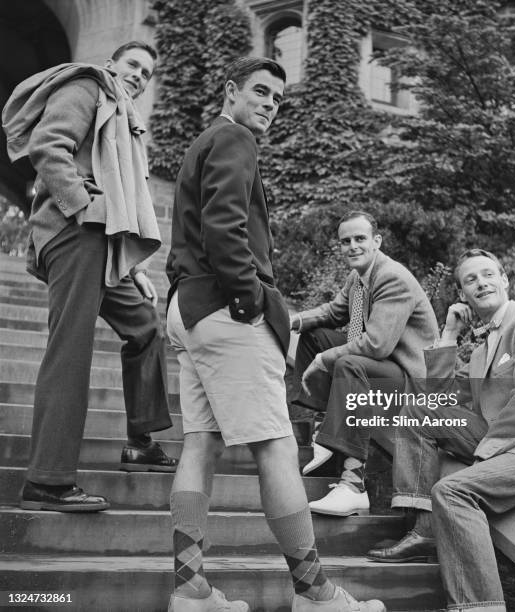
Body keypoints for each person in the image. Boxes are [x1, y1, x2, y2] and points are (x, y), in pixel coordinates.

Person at [165, 57, 385, 612]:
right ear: (231, 91)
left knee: (201, 442)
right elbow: (225, 229)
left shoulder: (204, 142)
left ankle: (191, 589)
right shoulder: (236, 138)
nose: (269, 103)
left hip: (189, 308)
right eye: (259, 91)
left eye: (278, 98)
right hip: (226, 308)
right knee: (278, 446)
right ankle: (315, 593)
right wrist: (254, 302)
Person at [2, 41, 177, 513]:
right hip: (77, 233)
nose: (140, 75)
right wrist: (83, 208)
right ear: (110, 65)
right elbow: (48, 147)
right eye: (133, 66)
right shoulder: (86, 86)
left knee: (144, 326)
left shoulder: (124, 114)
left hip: (106, 241)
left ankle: (140, 441)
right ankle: (47, 479)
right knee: (71, 348)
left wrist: (135, 265)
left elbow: (122, 193)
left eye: (147, 71)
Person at [366, 249, 515, 612]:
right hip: (511, 441)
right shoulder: (484, 349)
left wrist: (480, 460)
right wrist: (450, 333)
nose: (481, 282)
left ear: (505, 281)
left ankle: (479, 606)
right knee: (417, 413)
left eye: (487, 274)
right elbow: (437, 400)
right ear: (463, 296)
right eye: (470, 280)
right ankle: (423, 529)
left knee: (452, 490)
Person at [290, 211, 438, 516]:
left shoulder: (392, 277)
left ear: (377, 241)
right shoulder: (358, 277)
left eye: (360, 239)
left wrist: (324, 359)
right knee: (313, 336)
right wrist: (294, 321)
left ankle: (354, 485)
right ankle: (323, 427)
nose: (352, 246)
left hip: (410, 379)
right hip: (384, 367)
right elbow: (333, 313)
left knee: (348, 363)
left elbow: (376, 345)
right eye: (346, 241)